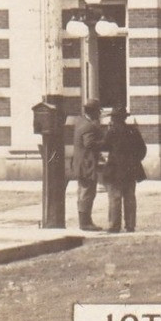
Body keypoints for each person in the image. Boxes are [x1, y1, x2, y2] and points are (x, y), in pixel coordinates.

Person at [103, 108, 147, 233]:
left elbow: (105, 146)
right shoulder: (133, 131)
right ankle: (130, 225)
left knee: (115, 198)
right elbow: (142, 150)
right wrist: (134, 161)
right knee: (129, 197)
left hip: (115, 170)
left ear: (114, 119)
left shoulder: (112, 132)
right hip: (131, 169)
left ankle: (114, 225)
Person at [71, 99, 104, 231]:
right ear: (93, 112)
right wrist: (105, 143)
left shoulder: (80, 122)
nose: (99, 115)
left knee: (83, 192)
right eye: (98, 112)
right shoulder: (89, 126)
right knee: (87, 192)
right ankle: (85, 223)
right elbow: (89, 144)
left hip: (81, 163)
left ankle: (85, 221)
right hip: (87, 164)